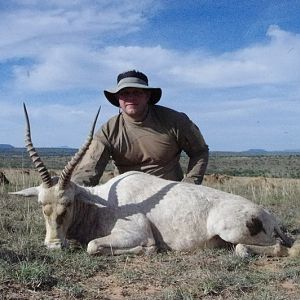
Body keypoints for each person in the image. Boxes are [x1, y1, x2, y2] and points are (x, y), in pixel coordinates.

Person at [72, 70, 209, 186]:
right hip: (126, 199)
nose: (131, 98)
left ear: (147, 95)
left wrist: (189, 185)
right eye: (125, 93)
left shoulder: (175, 120)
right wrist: (74, 189)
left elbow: (200, 152)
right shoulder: (107, 131)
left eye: (137, 92)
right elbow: (88, 171)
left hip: (171, 197)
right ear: (118, 98)